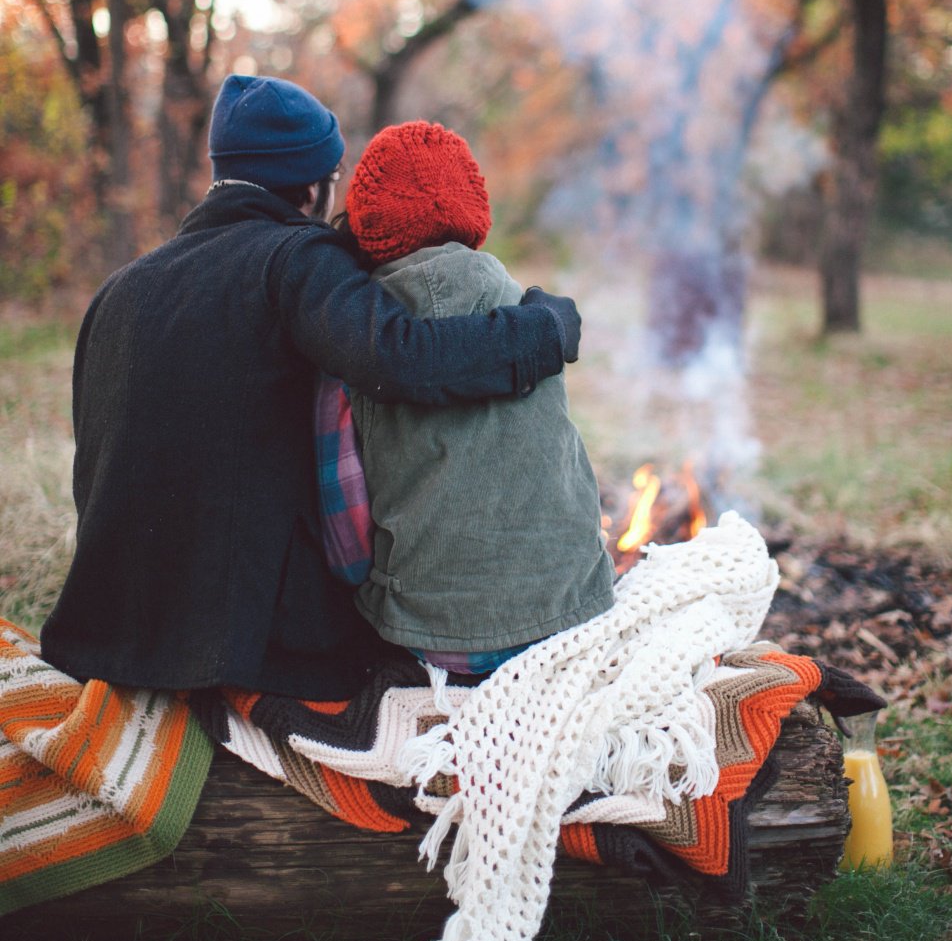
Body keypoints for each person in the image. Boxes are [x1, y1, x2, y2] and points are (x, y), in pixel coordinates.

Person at [39, 75, 581, 701]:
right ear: (312, 187)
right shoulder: (294, 261)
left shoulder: (119, 291)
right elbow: (403, 357)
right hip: (245, 645)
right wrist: (544, 329)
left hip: (112, 629)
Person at [320, 120, 615, 674]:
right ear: (471, 214)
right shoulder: (533, 319)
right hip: (575, 616)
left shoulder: (353, 343)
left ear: (367, 223)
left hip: (438, 636)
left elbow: (347, 538)